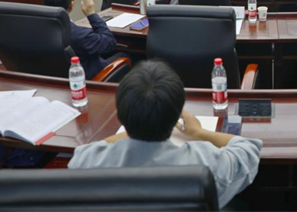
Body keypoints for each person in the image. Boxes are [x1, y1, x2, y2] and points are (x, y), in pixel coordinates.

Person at [68, 60, 262, 209]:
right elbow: (248, 148)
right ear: (177, 114)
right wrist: (200, 132)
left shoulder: (89, 161)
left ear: (120, 115)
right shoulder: (206, 161)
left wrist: (136, 126)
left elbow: (88, 152)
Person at [42, 0, 120, 80]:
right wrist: (92, 15)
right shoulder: (79, 35)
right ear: (72, 4)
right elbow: (110, 42)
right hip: (91, 79)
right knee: (127, 56)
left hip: (57, 80)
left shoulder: (37, 28)